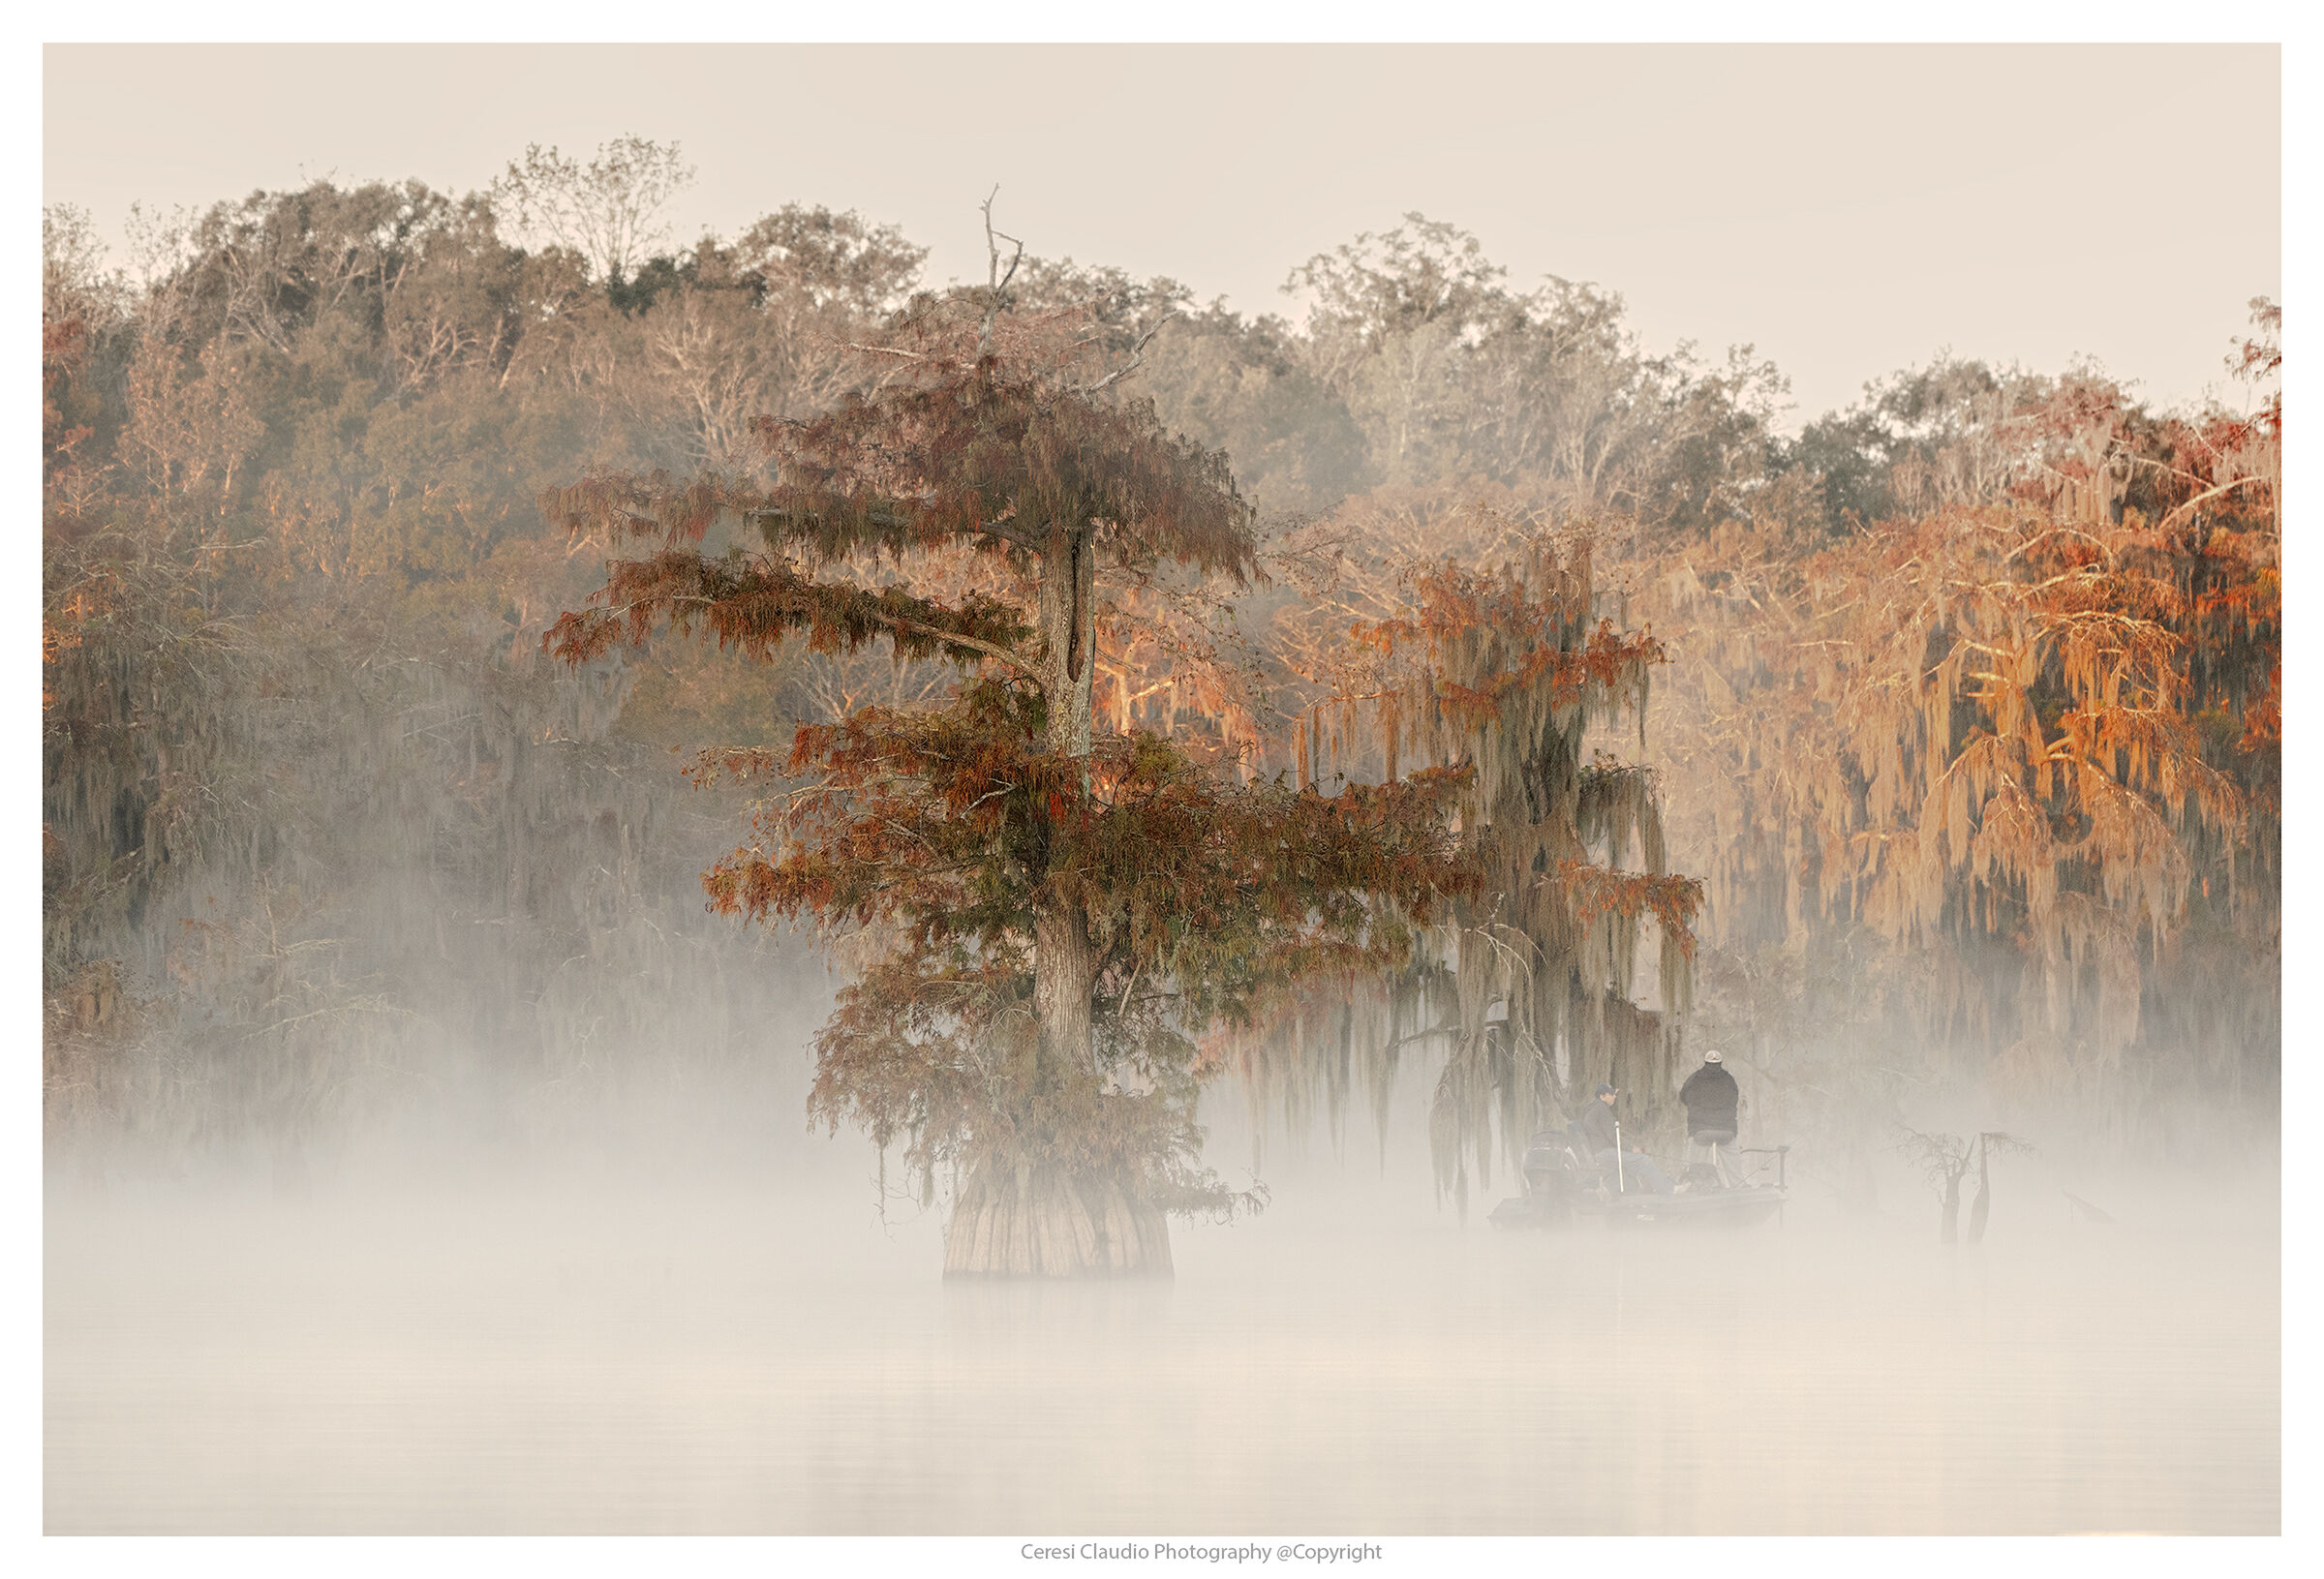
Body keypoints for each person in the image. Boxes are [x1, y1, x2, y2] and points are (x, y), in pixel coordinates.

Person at [1576, 1082, 1671, 1193]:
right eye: (1611, 1094)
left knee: (1630, 1167)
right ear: (1602, 1097)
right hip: (1605, 1153)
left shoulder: (1593, 1109)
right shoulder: (1601, 1109)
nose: (1614, 1097)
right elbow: (1613, 1136)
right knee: (1644, 1161)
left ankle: (1605, 1190)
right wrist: (1632, 1148)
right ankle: (1670, 1189)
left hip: (1600, 1153)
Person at [1678, 1048, 1743, 1186]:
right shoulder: (1729, 1079)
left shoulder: (1694, 1078)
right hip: (1726, 1131)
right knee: (1734, 1167)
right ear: (1721, 1063)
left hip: (1700, 1131)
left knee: (1694, 1165)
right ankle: (1739, 1187)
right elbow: (1734, 1099)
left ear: (1705, 1062)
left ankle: (1692, 1186)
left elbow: (1683, 1097)